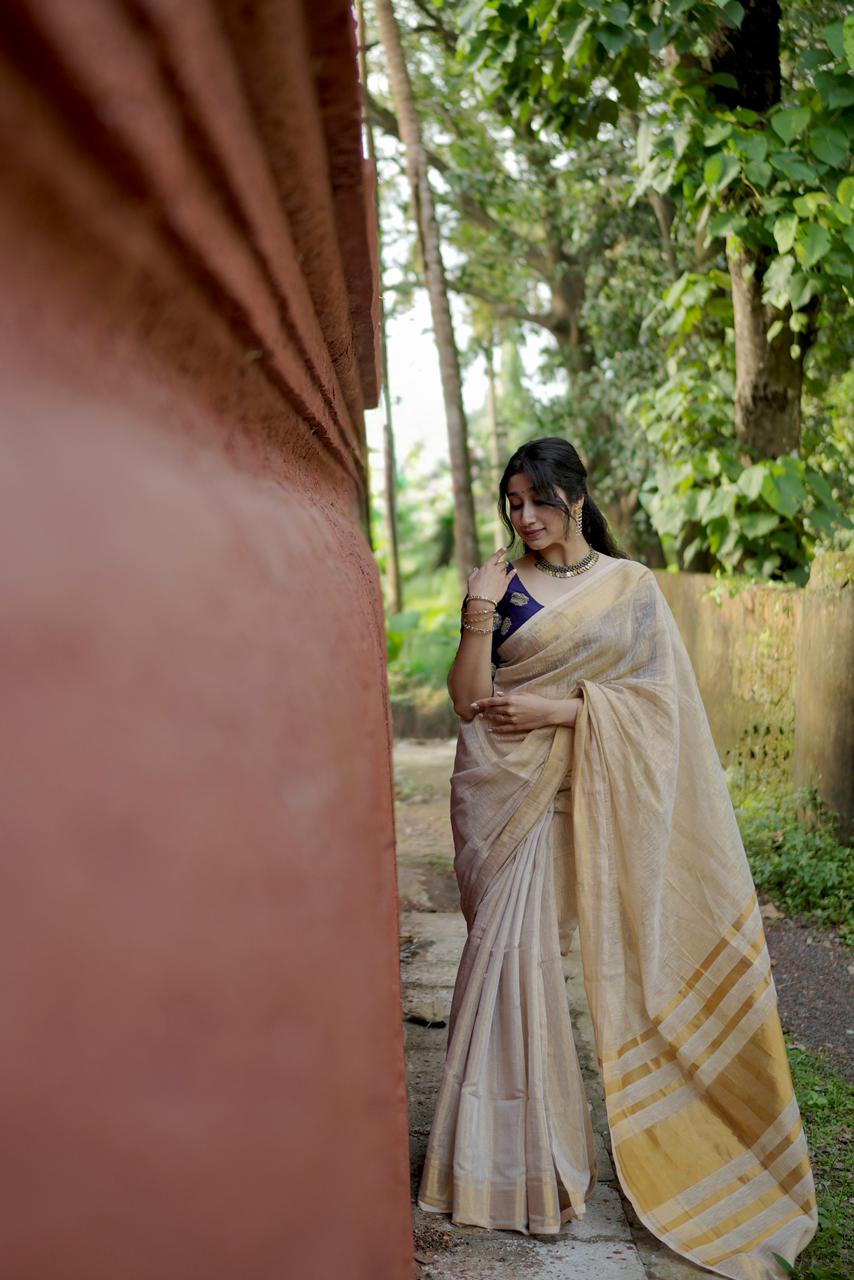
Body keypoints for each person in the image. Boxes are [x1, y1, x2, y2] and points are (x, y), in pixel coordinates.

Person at [417, 438, 817, 1280]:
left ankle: (546, 1161)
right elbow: (467, 701)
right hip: (504, 794)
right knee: (503, 963)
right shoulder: (502, 583)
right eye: (512, 502)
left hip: (584, 785)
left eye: (538, 499)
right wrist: (477, 611)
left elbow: (662, 708)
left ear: (575, 495)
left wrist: (562, 710)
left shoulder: (631, 588)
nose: (525, 516)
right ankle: (508, 1169)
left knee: (545, 964)